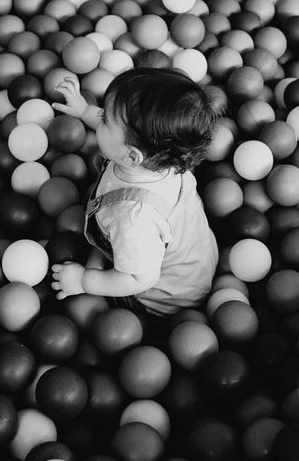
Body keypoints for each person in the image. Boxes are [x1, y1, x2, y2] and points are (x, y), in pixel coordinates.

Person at [49, 65, 225, 320]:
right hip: (195, 259)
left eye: (104, 119)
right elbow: (122, 130)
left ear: (131, 156)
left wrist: (84, 280)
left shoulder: (133, 218)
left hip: (162, 296)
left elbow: (139, 278)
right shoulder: (167, 155)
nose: (99, 117)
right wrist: (82, 109)